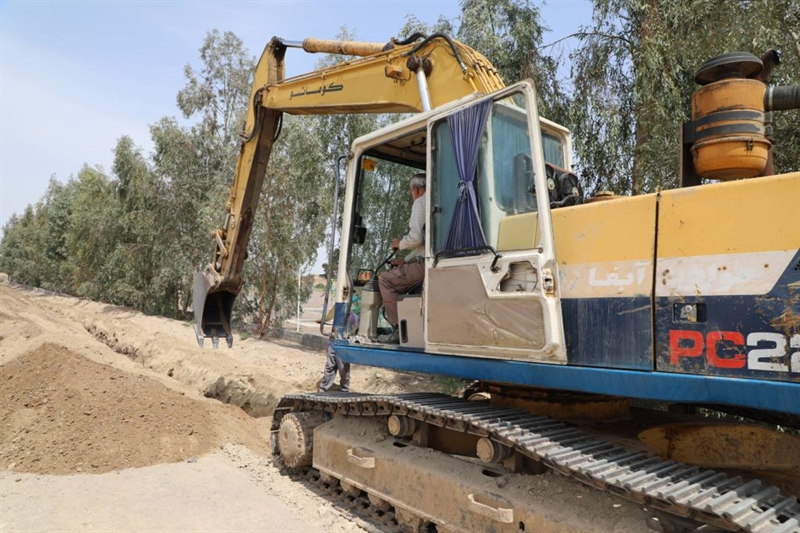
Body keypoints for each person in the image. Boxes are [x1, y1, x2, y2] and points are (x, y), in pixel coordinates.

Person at [378, 172, 426, 344]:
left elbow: (416, 239)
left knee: (385, 280)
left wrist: (400, 243)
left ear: (415, 189)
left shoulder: (421, 202)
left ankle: (399, 330)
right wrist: (405, 261)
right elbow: (426, 245)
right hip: (432, 262)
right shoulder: (440, 203)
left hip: (425, 266)